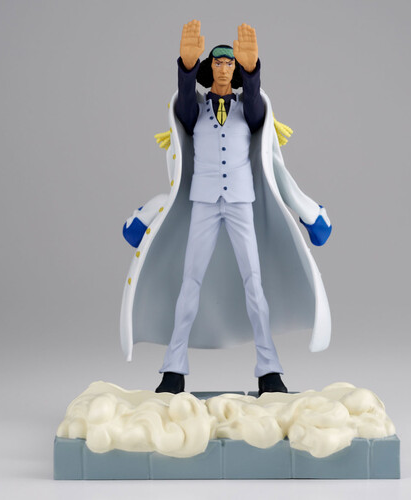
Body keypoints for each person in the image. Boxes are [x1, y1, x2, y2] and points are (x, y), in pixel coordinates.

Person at [120, 20, 332, 396]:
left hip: (239, 201)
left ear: (235, 70)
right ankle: (173, 370)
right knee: (190, 284)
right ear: (210, 68)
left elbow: (257, 108)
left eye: (229, 63)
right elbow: (183, 105)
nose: (223, 68)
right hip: (203, 201)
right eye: (217, 62)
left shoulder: (248, 110)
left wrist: (253, 72)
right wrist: (186, 67)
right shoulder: (195, 110)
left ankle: (269, 370)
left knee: (254, 284)